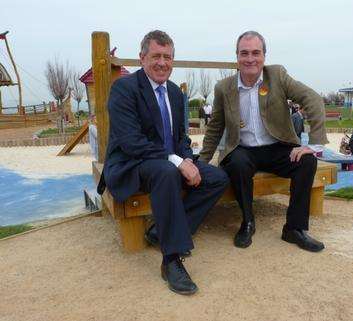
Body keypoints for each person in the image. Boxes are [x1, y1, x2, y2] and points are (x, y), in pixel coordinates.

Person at [101, 30, 229, 295]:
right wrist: (176, 161)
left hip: (167, 162)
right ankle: (171, 259)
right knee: (166, 172)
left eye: (167, 57)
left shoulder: (173, 91)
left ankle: (161, 231)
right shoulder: (124, 89)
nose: (162, 62)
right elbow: (131, 142)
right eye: (156, 56)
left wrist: (185, 159)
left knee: (217, 178)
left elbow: (180, 137)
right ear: (142, 58)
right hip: (131, 163)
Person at [200, 31, 328, 252]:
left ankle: (294, 229)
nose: (250, 59)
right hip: (243, 150)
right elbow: (215, 126)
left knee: (307, 162)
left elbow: (313, 99)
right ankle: (248, 222)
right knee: (237, 163)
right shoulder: (224, 87)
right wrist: (202, 161)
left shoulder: (277, 75)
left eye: (256, 53)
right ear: (237, 57)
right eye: (244, 53)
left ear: (264, 56)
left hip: (277, 147)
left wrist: (313, 145)